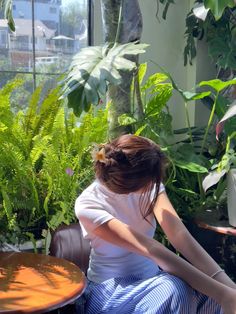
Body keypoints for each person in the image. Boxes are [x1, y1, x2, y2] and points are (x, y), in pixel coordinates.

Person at [75, 134, 236, 314]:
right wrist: (223, 294)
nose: (156, 183)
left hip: (154, 282)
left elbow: (180, 236)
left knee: (209, 296)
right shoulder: (88, 205)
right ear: (134, 182)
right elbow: (150, 248)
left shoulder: (150, 186)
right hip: (110, 291)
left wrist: (229, 289)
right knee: (175, 290)